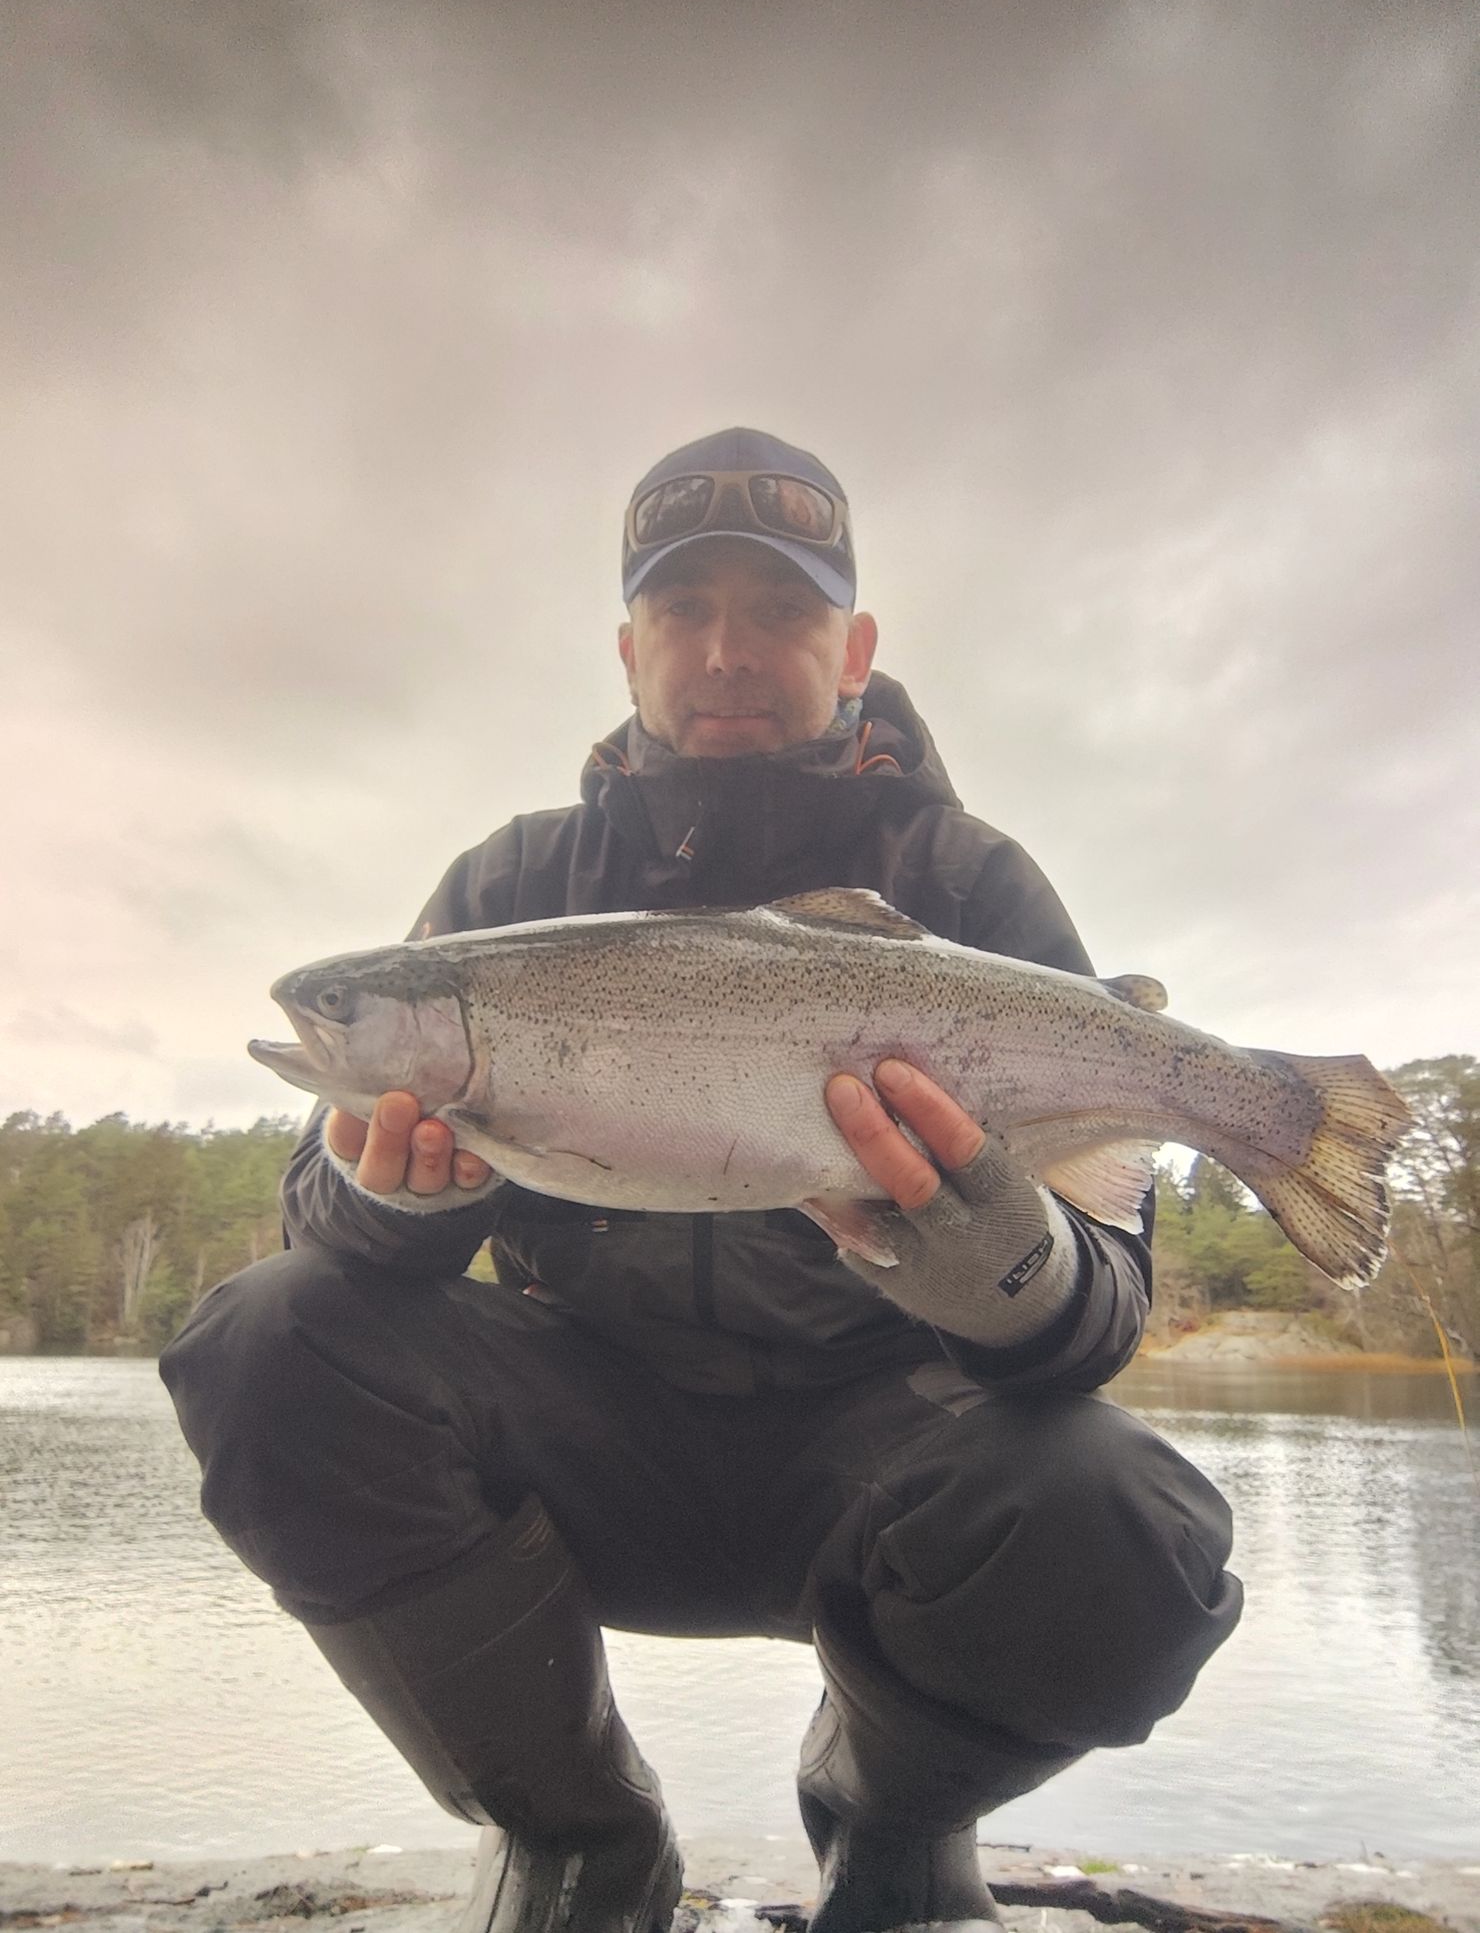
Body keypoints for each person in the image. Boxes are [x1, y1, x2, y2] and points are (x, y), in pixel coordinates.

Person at [160, 428, 1242, 1933]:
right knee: (265, 1338)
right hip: (586, 1439)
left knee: (1126, 1518)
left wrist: (1008, 1268)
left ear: (855, 647)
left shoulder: (970, 883)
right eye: (683, 608)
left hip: (890, 1459)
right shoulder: (508, 891)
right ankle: (578, 1840)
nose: (727, 649)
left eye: (782, 609)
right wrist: (397, 1202)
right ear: (628, 648)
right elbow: (318, 1225)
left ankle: (893, 1826)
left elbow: (1100, 1315)